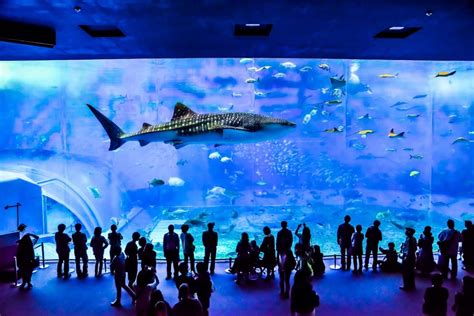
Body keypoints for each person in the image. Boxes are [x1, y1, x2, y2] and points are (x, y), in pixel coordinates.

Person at [16, 223, 39, 289]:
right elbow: (37, 237)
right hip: (29, 258)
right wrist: (30, 234)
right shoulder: (29, 242)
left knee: (23, 270)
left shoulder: (21, 242)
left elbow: (19, 250)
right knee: (29, 270)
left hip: (22, 258)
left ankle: (24, 282)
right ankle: (28, 282)